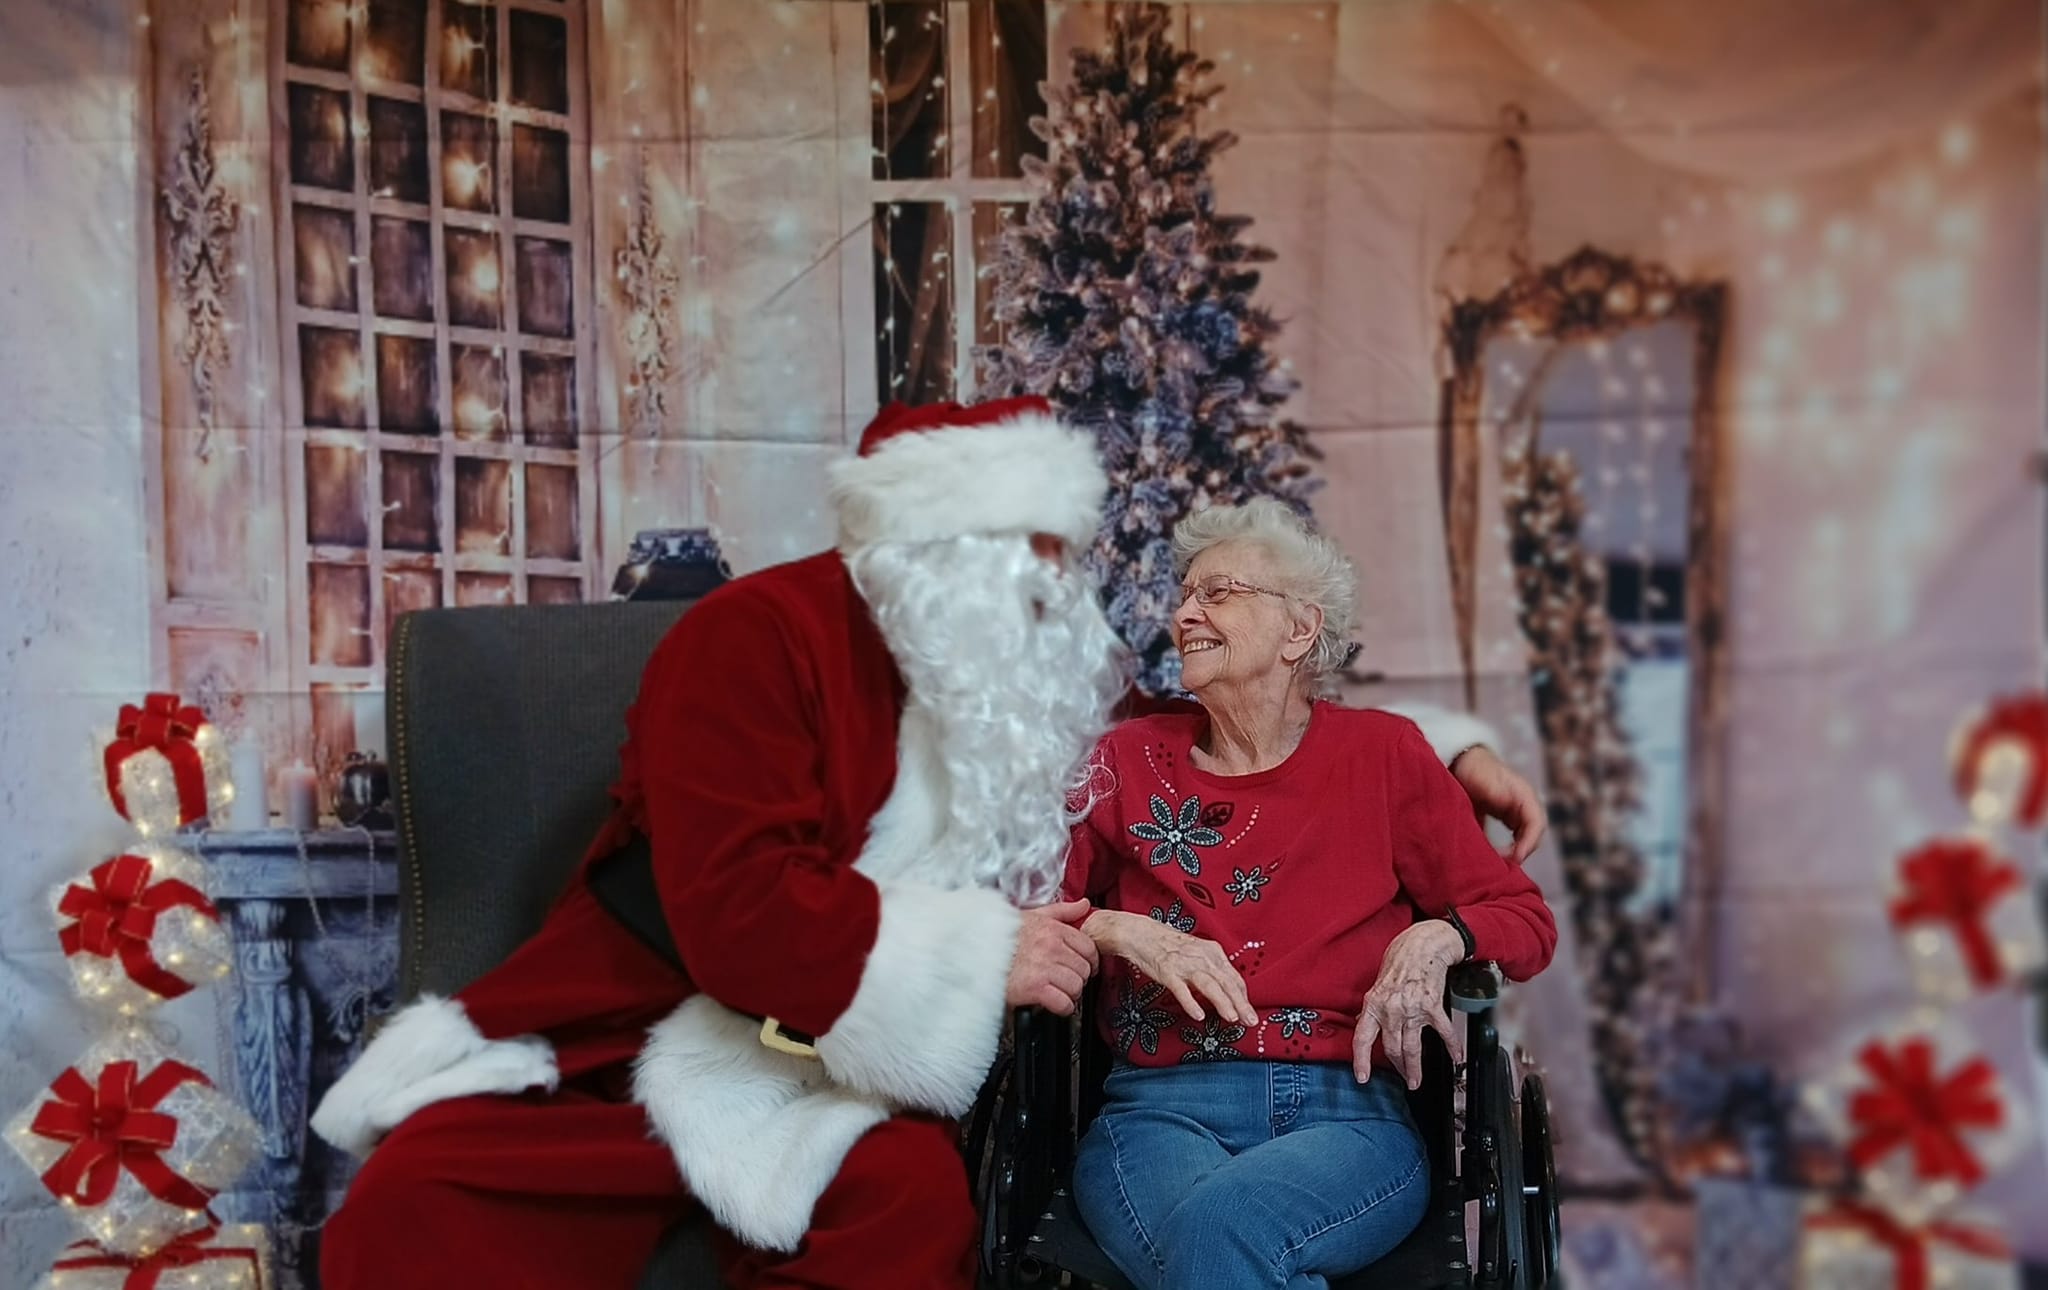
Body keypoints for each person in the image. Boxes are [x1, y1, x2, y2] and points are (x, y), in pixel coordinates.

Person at [310, 398, 1544, 1289]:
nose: (1076, 596)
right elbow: (731, 907)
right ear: (946, 551)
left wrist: (1445, 759)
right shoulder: (753, 641)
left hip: (865, 1075)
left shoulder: (1005, 670)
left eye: (1065, 565)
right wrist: (1002, 952)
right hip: (662, 1024)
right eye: (1037, 563)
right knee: (418, 1208)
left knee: (915, 1210)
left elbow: (1281, 749)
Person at [1062, 498, 1560, 1290]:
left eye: (1218, 592)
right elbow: (1023, 924)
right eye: (1185, 594)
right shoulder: (1126, 761)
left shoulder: (1384, 755)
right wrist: (1121, 931)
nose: (1185, 612)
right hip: (1157, 1110)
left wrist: (1434, 937)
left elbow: (1526, 923)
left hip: (1349, 1118)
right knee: (1227, 1247)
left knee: (1219, 1237)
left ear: (1299, 630)